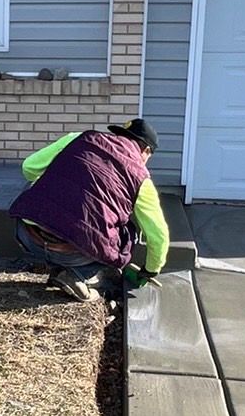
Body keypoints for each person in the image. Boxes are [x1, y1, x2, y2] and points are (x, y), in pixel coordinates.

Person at [10, 117, 170, 301]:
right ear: (146, 150)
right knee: (128, 232)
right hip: (75, 254)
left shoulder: (78, 138)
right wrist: (151, 270)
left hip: (28, 236)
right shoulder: (141, 179)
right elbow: (158, 236)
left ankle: (47, 261)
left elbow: (28, 168)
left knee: (33, 186)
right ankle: (78, 275)